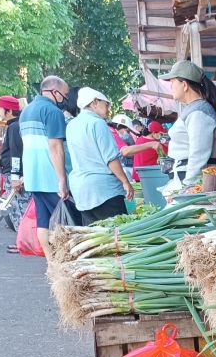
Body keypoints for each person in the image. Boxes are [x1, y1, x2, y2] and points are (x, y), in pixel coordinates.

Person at [18, 75, 72, 256]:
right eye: (64, 95)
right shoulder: (52, 111)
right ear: (54, 92)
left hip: (33, 176)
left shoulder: (26, 111)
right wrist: (62, 179)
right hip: (50, 175)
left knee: (43, 220)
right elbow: (55, 147)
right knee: (63, 221)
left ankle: (50, 261)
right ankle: (63, 260)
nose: (64, 99)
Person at [66, 88, 134, 223]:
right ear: (95, 102)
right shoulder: (97, 123)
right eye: (106, 104)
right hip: (104, 191)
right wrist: (125, 182)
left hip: (81, 191)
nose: (108, 109)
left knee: (93, 236)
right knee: (117, 235)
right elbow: (111, 158)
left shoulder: (71, 125)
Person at [159, 61, 216, 191]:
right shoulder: (194, 109)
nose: (171, 87)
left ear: (185, 85)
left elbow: (198, 154)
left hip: (192, 180)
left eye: (172, 83)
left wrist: (189, 187)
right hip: (184, 176)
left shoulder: (200, 112)